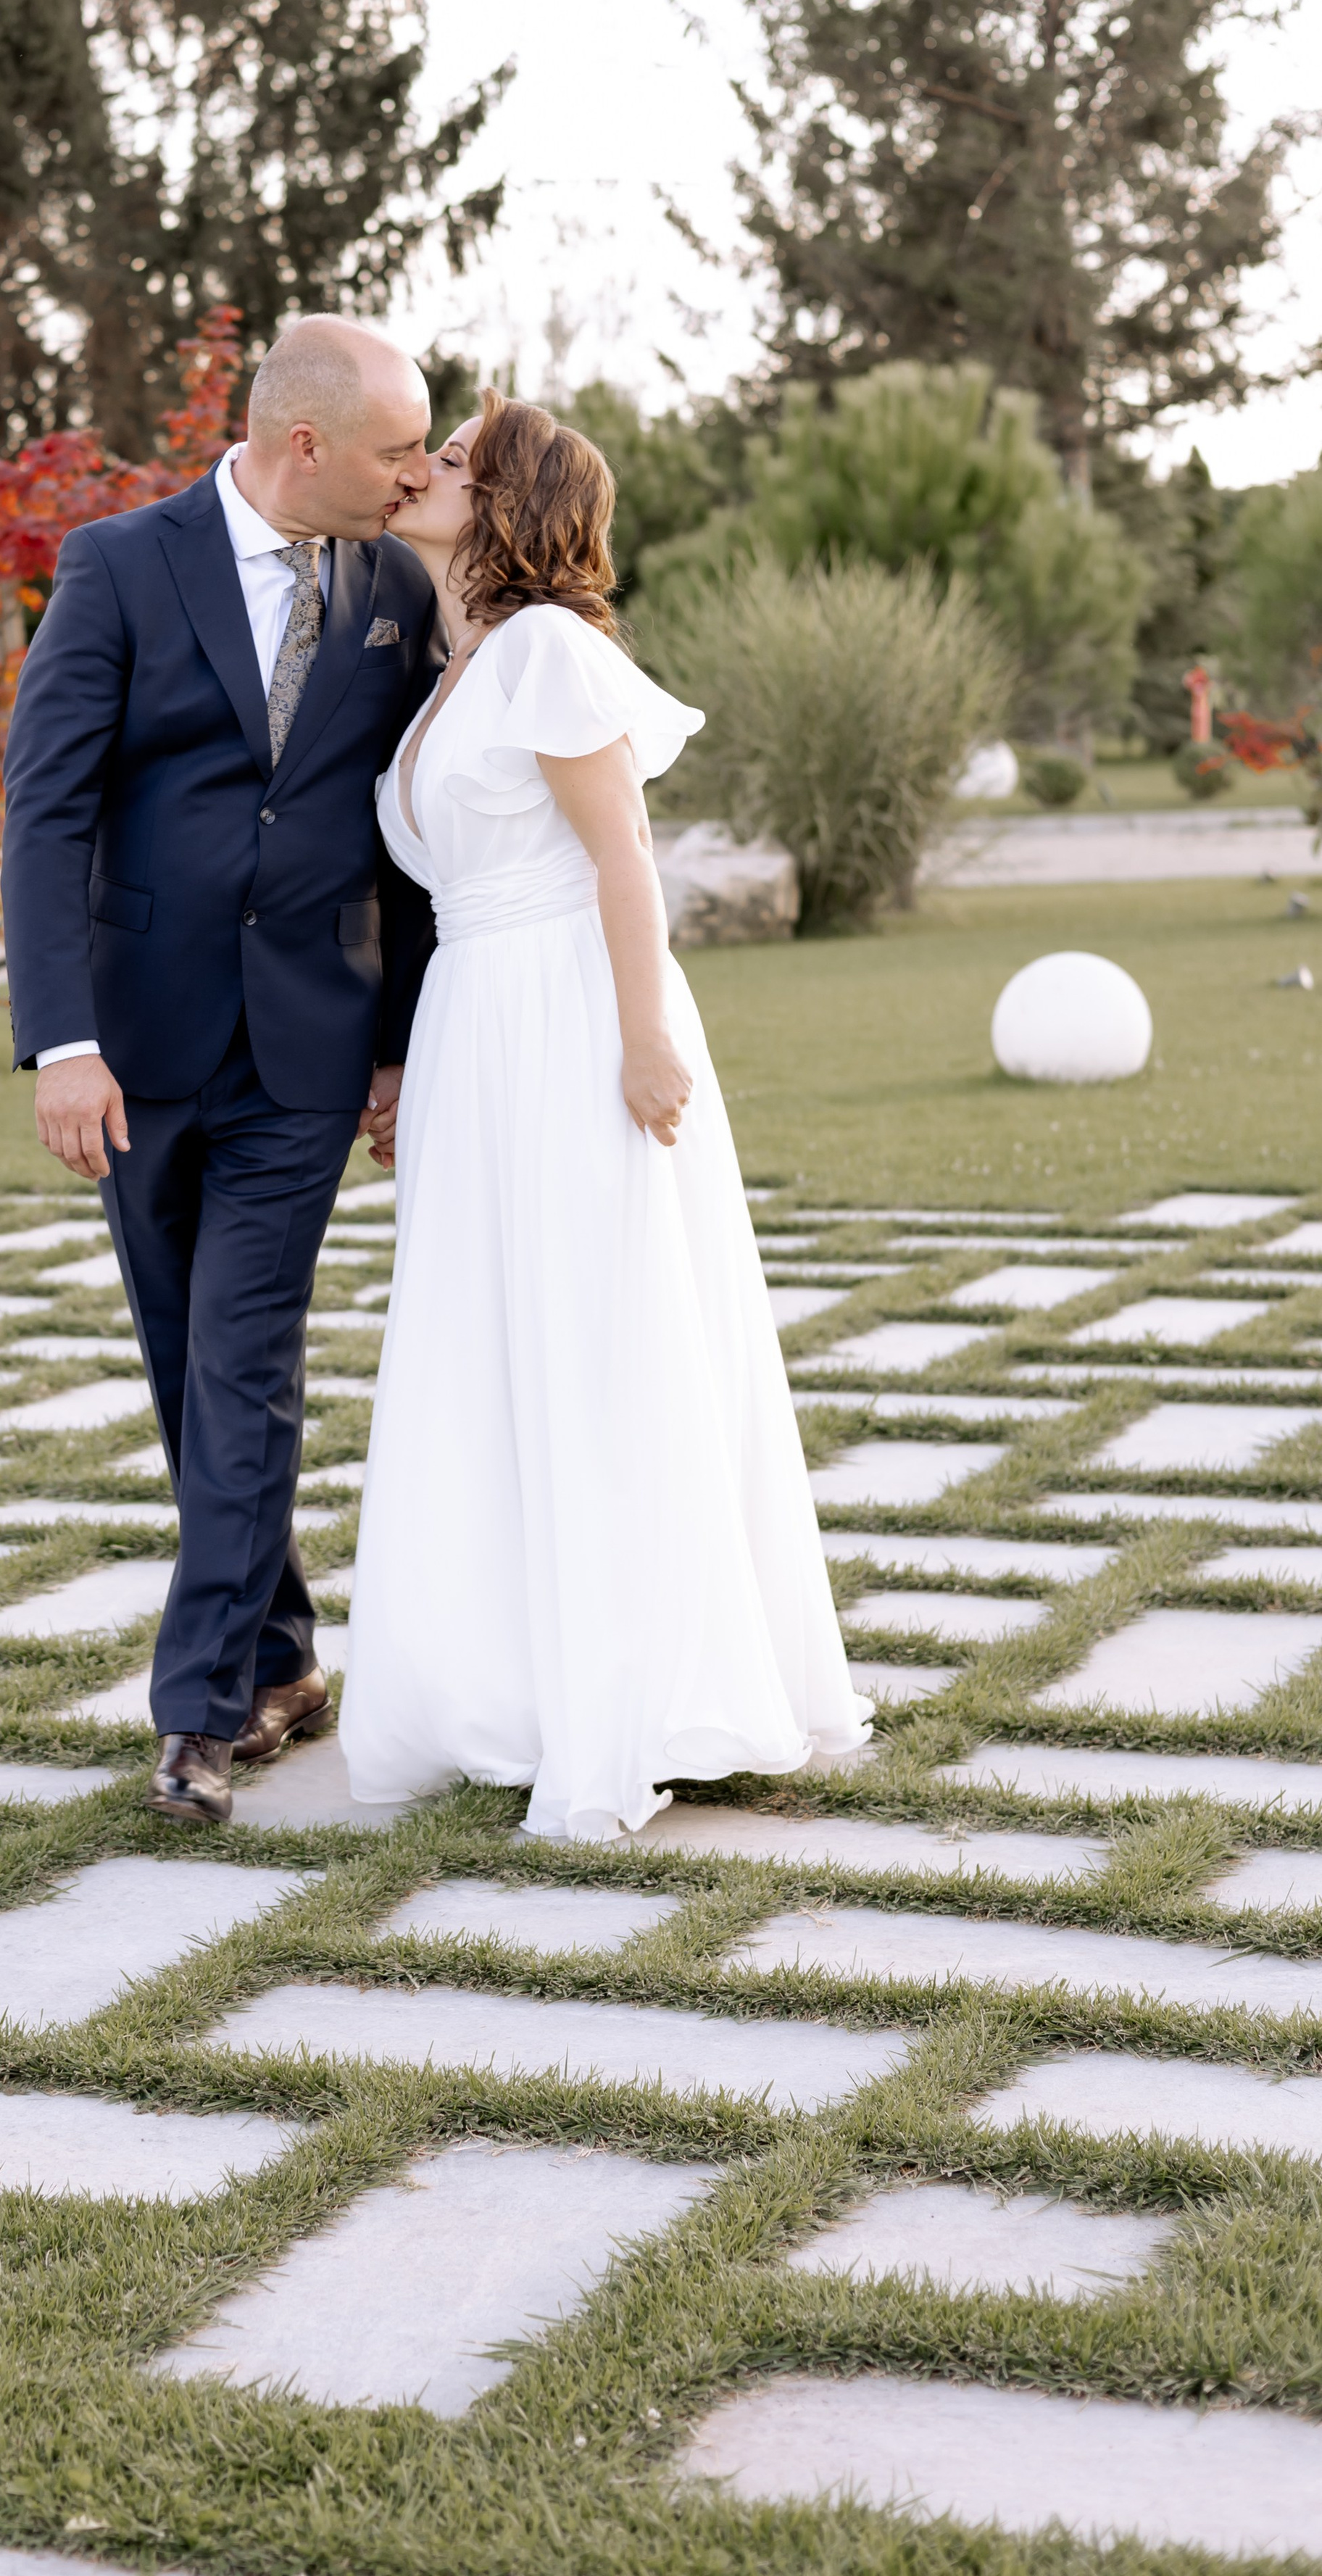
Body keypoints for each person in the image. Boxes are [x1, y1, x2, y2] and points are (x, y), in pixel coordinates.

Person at [340, 391, 872, 1841]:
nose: (419, 472)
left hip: (571, 1013)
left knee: (595, 1329)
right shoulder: (456, 668)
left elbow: (622, 858)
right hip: (473, 1021)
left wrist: (642, 1040)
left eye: (449, 461)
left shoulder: (548, 655)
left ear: (506, 500)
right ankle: (507, 1686)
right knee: (490, 1336)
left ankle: (630, 1697)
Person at [1, 317, 441, 1827]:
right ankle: (283, 1659)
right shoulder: (117, 564)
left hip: (307, 1043)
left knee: (241, 1355)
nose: (413, 476)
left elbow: (410, 832)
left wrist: (394, 1038)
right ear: (303, 443)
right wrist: (62, 1042)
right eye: (396, 449)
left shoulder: (393, 584)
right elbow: (44, 813)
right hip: (134, 1047)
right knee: (189, 1364)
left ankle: (198, 1714)